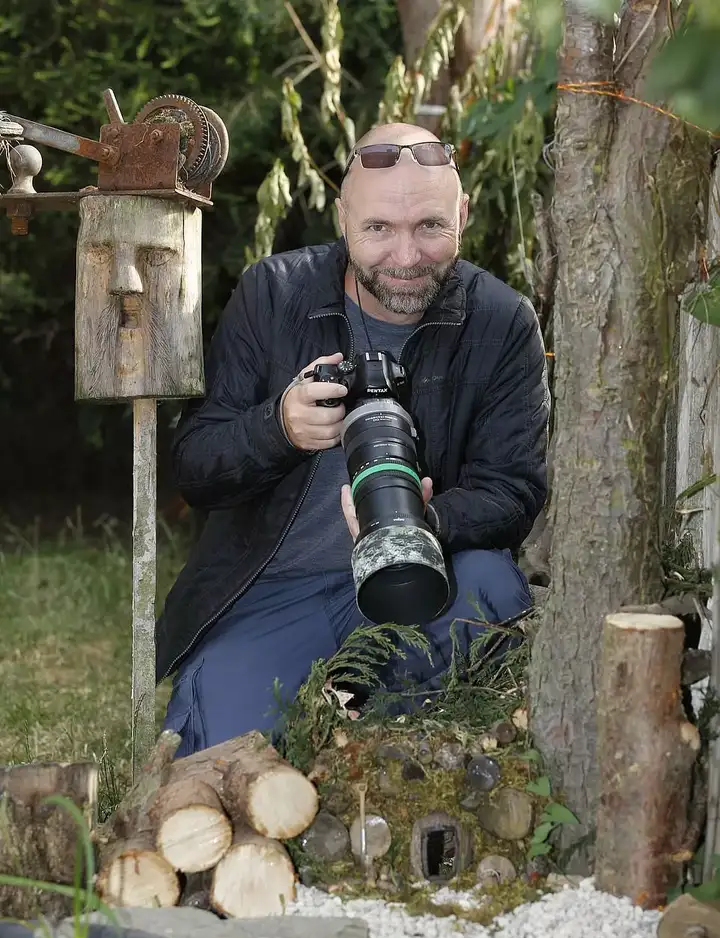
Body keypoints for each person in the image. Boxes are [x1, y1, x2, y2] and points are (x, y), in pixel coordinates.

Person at [155, 121, 550, 757]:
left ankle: (358, 722)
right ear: (343, 219)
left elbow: (516, 488)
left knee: (493, 590)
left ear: (463, 214)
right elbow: (195, 466)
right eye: (378, 229)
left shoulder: (501, 320)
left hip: (419, 579)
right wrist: (276, 429)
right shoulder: (273, 294)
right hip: (278, 589)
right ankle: (333, 709)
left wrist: (425, 520)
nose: (405, 256)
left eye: (429, 226)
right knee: (217, 751)